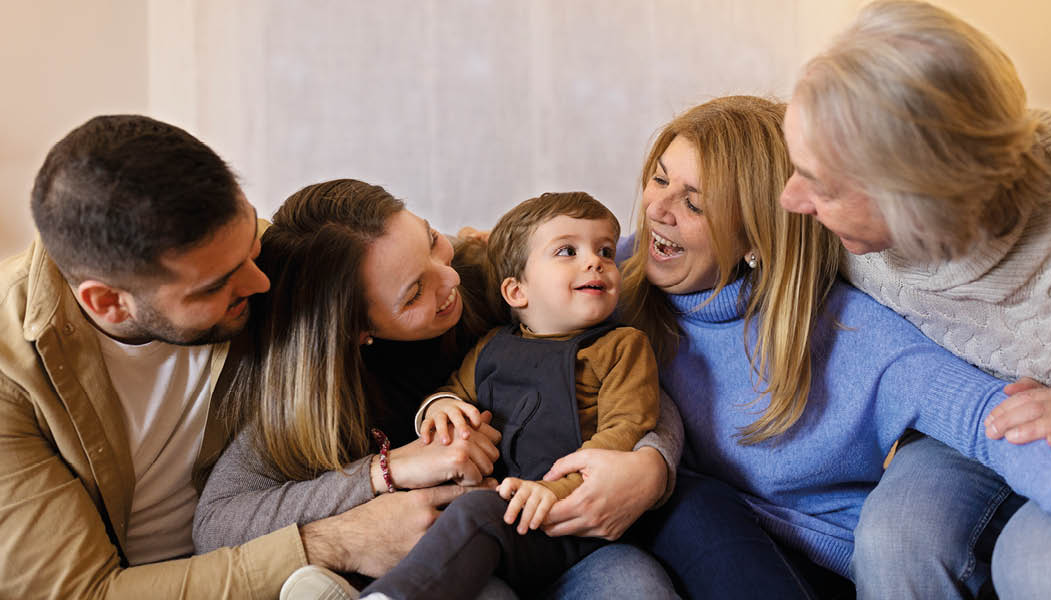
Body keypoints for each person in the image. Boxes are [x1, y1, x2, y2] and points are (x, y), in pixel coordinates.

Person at [616, 95, 1051, 599]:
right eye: (659, 178)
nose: (658, 208)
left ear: (755, 241)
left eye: (694, 202)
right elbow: (518, 292)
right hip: (709, 532)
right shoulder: (618, 274)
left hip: (826, 564)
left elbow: (991, 419)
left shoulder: (853, 334)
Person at [192, 180, 683, 598]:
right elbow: (215, 525)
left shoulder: (491, 279)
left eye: (429, 240)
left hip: (566, 531)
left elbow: (626, 374)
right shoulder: (312, 397)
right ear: (357, 332)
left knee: (637, 583)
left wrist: (651, 465)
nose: (448, 279)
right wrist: (386, 471)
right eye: (413, 293)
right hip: (460, 555)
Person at [0, 114, 372, 598]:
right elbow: (84, 592)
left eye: (252, 246)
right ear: (109, 302)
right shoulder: (11, 374)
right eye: (217, 286)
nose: (260, 283)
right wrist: (334, 542)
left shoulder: (241, 258)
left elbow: (436, 278)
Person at [779, 1, 1051, 597]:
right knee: (893, 540)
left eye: (821, 186)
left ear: (918, 205)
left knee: (1035, 562)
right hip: (960, 422)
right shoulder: (831, 221)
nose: (790, 198)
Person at [359, 192, 660, 600]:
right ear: (516, 292)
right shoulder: (491, 347)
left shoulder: (622, 346)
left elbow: (625, 429)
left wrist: (557, 489)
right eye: (568, 250)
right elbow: (453, 391)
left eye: (606, 250)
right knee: (468, 522)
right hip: (502, 518)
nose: (596, 261)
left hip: (580, 524)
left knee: (641, 589)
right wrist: (441, 407)